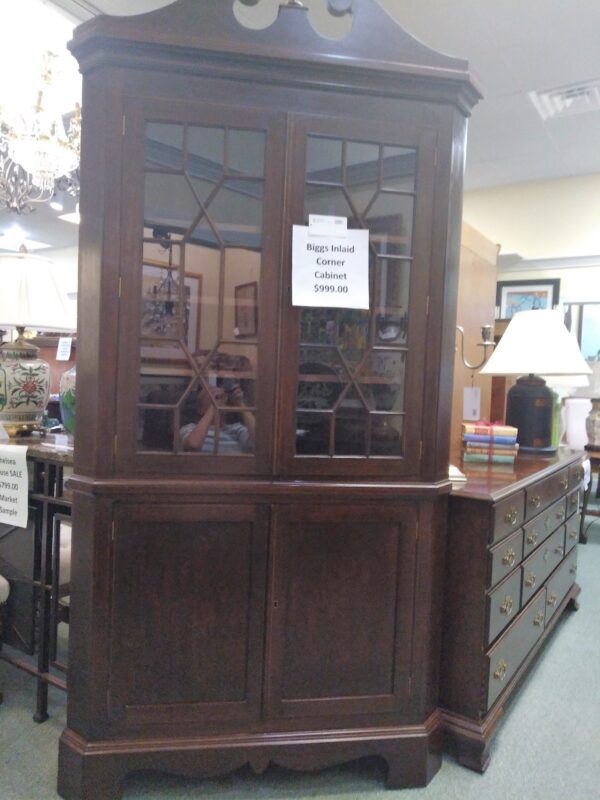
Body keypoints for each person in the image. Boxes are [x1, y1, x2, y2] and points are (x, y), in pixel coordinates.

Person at [180, 381, 255, 453]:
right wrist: (213, 407)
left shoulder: (237, 429)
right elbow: (193, 445)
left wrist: (240, 403)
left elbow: (260, 442)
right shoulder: (189, 428)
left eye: (221, 397)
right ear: (200, 409)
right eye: (210, 396)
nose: (219, 400)